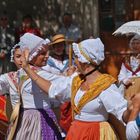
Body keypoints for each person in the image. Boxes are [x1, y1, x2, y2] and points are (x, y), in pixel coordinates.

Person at [21, 38, 133, 139]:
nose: (75, 61)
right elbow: (52, 89)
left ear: (85, 61)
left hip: (95, 134)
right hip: (77, 132)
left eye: (76, 58)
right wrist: (27, 68)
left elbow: (122, 112)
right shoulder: (76, 81)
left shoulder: (105, 86)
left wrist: (131, 109)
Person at [5, 33, 63, 140]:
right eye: (18, 57)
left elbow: (59, 92)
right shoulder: (11, 77)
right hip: (22, 120)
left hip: (41, 118)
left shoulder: (43, 73)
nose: (47, 56)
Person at [43, 34, 73, 133]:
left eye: (61, 45)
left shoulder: (70, 61)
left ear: (64, 46)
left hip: (67, 98)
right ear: (53, 47)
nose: (59, 48)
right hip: (54, 97)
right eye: (57, 45)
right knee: (56, 126)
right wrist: (63, 76)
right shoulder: (48, 61)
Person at [118, 34, 140, 99]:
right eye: (133, 43)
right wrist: (125, 80)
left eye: (138, 43)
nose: (135, 45)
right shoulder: (127, 59)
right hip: (129, 87)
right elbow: (121, 75)